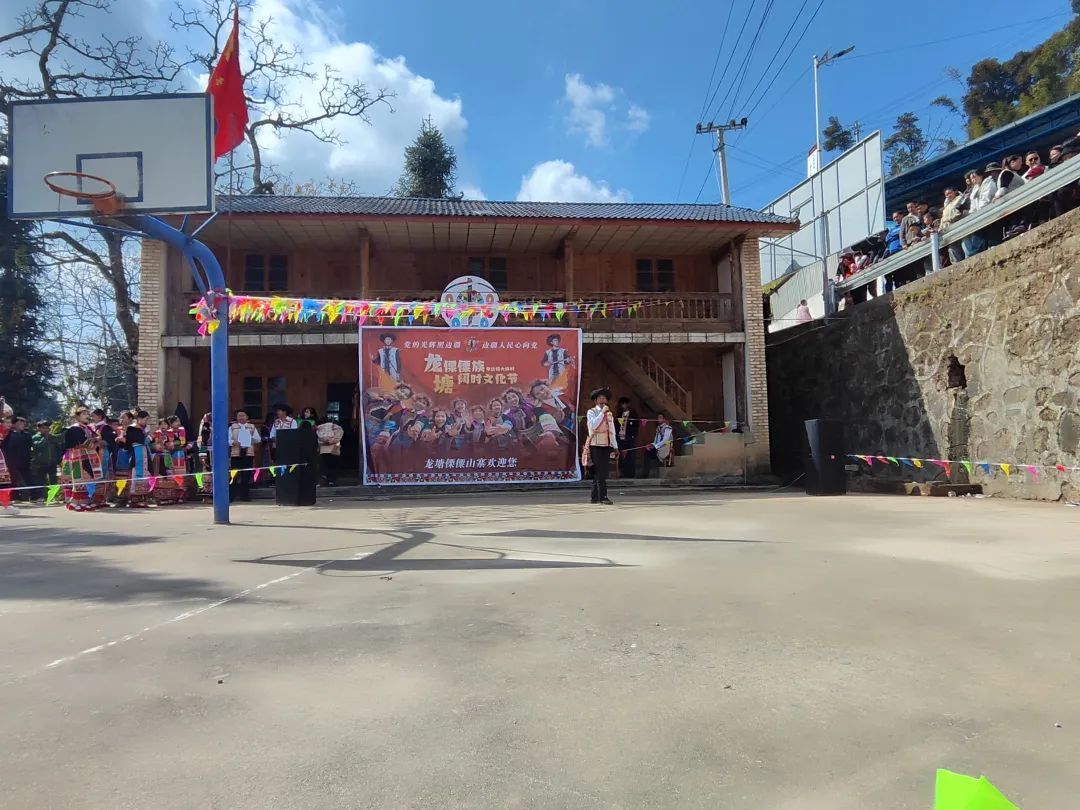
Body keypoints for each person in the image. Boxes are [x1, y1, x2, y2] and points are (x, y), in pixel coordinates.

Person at [61, 407, 103, 511]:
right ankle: (75, 501)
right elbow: (85, 443)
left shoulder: (87, 428)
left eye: (87, 414)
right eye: (84, 414)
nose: (87, 416)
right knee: (79, 478)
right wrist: (95, 440)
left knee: (85, 479)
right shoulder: (75, 428)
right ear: (77, 416)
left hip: (86, 456)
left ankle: (82, 501)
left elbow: (97, 440)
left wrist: (95, 440)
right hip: (77, 456)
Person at [582, 387, 618, 505]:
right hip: (595, 444)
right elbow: (593, 426)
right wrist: (602, 413)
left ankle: (594, 496)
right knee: (600, 471)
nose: (602, 400)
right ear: (596, 400)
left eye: (604, 398)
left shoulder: (609, 414)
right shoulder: (591, 412)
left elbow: (612, 431)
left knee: (601, 471)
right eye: (600, 398)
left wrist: (615, 446)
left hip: (606, 445)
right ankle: (603, 496)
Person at [229, 410, 261, 502]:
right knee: (234, 475)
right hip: (236, 453)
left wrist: (250, 438)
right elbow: (228, 439)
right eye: (239, 416)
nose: (241, 417)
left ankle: (244, 496)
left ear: (247, 417)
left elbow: (258, 439)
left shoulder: (251, 427)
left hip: (248, 453)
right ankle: (231, 496)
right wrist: (233, 442)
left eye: (243, 415)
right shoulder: (232, 427)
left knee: (246, 475)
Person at [1, 416, 32, 501]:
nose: (22, 425)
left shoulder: (26, 435)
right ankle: (20, 496)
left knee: (23, 480)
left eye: (23, 424)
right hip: (11, 463)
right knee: (15, 480)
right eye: (19, 423)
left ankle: (21, 497)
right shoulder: (8, 435)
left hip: (24, 462)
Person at [30, 420, 61, 501]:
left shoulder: (53, 437)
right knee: (41, 481)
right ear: (39, 429)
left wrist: (58, 460)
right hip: (40, 464)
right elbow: (39, 447)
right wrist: (46, 438)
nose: (46, 430)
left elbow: (58, 449)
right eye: (44, 428)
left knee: (53, 481)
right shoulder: (35, 438)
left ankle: (53, 497)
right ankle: (41, 497)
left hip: (52, 463)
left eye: (47, 428)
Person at [315, 416, 344, 486]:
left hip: (323, 449)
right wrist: (331, 441)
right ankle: (331, 481)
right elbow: (339, 435)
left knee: (324, 466)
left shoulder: (319, 429)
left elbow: (319, 440)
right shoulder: (335, 427)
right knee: (333, 465)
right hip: (334, 448)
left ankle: (323, 481)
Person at [615, 397, 639, 479]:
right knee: (621, 455)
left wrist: (633, 435)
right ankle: (623, 472)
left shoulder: (633, 413)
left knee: (630, 455)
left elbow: (636, 425)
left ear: (628, 404)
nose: (623, 406)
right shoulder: (619, 414)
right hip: (620, 437)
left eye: (625, 404)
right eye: (622, 404)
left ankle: (631, 473)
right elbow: (616, 425)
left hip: (629, 437)